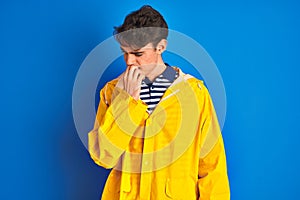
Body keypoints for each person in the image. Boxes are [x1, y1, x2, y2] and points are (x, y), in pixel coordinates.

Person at [88, 5, 230, 200]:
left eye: (138, 54)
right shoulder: (111, 92)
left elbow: (212, 166)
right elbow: (103, 156)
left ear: (161, 47)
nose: (129, 61)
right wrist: (127, 101)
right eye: (124, 52)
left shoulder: (195, 94)